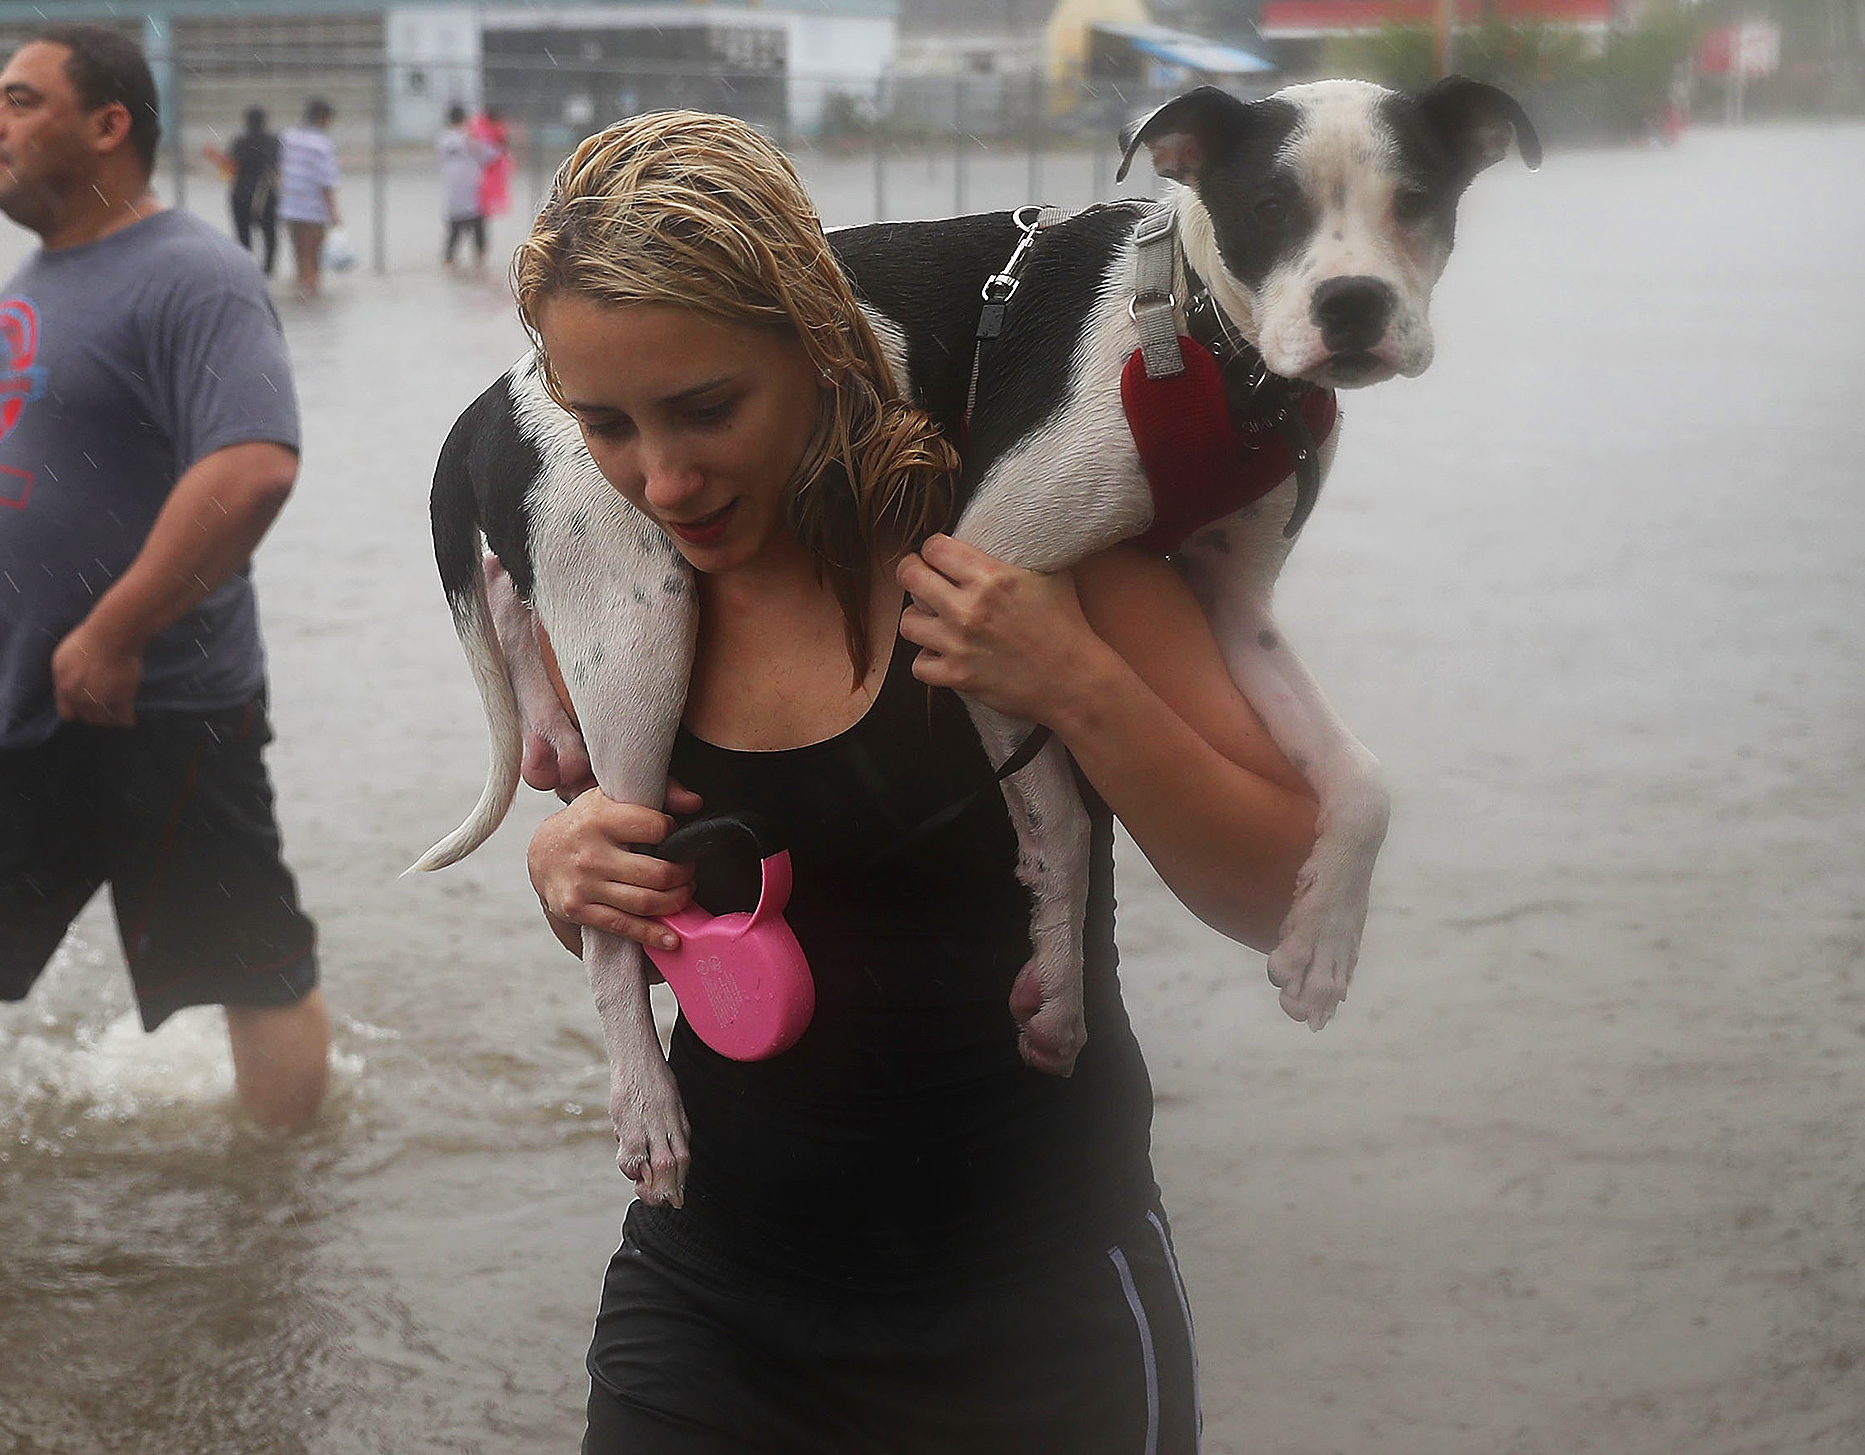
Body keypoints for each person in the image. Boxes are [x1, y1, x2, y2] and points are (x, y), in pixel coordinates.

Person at [514, 112, 1318, 1453]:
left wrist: (1075, 682)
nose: (662, 477)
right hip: (714, 1305)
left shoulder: (1027, 540)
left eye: (709, 408)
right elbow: (686, 936)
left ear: (821, 347)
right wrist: (572, 875)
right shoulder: (618, 587)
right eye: (604, 425)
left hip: (1041, 1316)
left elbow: (1282, 891)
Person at [0, 24, 329, 1172]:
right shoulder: (40, 274)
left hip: (154, 708)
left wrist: (118, 630)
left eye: (20, 100)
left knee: (246, 967)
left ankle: (280, 1216)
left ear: (108, 125)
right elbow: (21, 449)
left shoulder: (196, 275)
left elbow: (254, 464)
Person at [276, 97, 340, 297]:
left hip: (290, 203)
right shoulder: (322, 143)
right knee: (314, 250)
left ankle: (301, 282)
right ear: (323, 118)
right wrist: (333, 211)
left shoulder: (288, 137)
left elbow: (280, 168)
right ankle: (311, 288)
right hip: (313, 206)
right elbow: (326, 180)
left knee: (298, 247)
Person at [436, 103, 498, 268]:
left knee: (464, 227)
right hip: (466, 190)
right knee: (464, 227)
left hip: (467, 191)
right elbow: (492, 154)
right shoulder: (466, 137)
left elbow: (490, 155)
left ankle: (459, 259)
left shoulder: (444, 138)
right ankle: (476, 259)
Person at [224, 104, 281, 275]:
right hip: (265, 192)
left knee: (243, 234)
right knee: (269, 233)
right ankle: (269, 269)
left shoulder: (239, 142)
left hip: (241, 191)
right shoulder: (272, 141)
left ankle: (246, 268)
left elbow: (231, 168)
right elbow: (276, 166)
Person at [468, 104, 515, 227]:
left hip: (493, 165)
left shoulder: (499, 129)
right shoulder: (478, 125)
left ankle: (485, 207)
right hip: (480, 164)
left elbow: (503, 144)